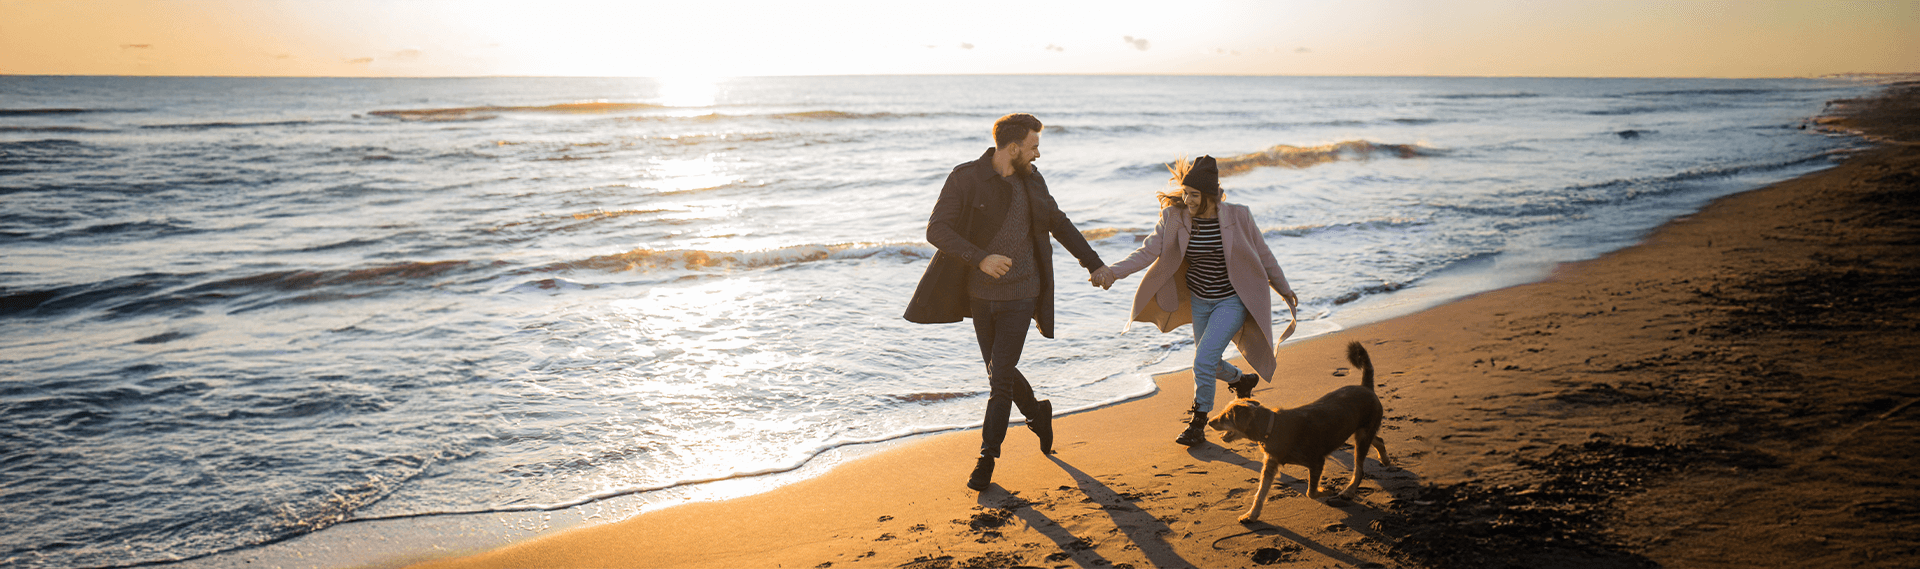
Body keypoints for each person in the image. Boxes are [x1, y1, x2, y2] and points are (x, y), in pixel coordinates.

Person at [904, 113, 1109, 491]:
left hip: (1023, 293)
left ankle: (986, 458)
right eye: (1033, 146)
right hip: (980, 296)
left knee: (999, 379)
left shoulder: (1033, 181)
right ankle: (1037, 413)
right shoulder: (966, 178)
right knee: (1000, 371)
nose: (1038, 155)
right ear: (1013, 148)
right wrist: (979, 257)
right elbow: (937, 229)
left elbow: (1059, 224)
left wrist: (1094, 264)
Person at [1090, 155, 1298, 447]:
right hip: (1200, 300)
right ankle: (1240, 380)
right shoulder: (1174, 217)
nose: (1186, 199)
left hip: (1231, 301)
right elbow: (1148, 252)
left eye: (1194, 195)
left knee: (1201, 361)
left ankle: (1199, 422)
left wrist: (1284, 288)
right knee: (1209, 364)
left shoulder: (1238, 216)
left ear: (1210, 195)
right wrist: (1112, 272)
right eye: (1185, 192)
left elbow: (1263, 255)